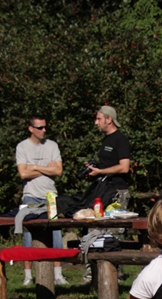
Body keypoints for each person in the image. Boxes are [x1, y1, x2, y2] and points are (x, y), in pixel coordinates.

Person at [56, 105, 131, 282]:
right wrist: (94, 171)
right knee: (95, 230)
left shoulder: (120, 139)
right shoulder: (106, 140)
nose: (96, 122)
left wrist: (101, 171)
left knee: (113, 234)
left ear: (109, 119)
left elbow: (124, 167)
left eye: (98, 119)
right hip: (102, 190)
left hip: (117, 193)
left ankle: (116, 276)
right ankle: (94, 274)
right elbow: (108, 166)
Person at [15, 115, 68, 286]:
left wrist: (36, 167)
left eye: (45, 127)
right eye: (39, 127)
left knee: (56, 233)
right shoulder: (22, 147)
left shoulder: (52, 146)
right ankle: (28, 276)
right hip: (30, 195)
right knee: (28, 236)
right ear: (31, 129)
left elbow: (58, 171)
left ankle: (58, 274)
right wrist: (47, 168)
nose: (43, 130)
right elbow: (23, 173)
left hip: (50, 196)